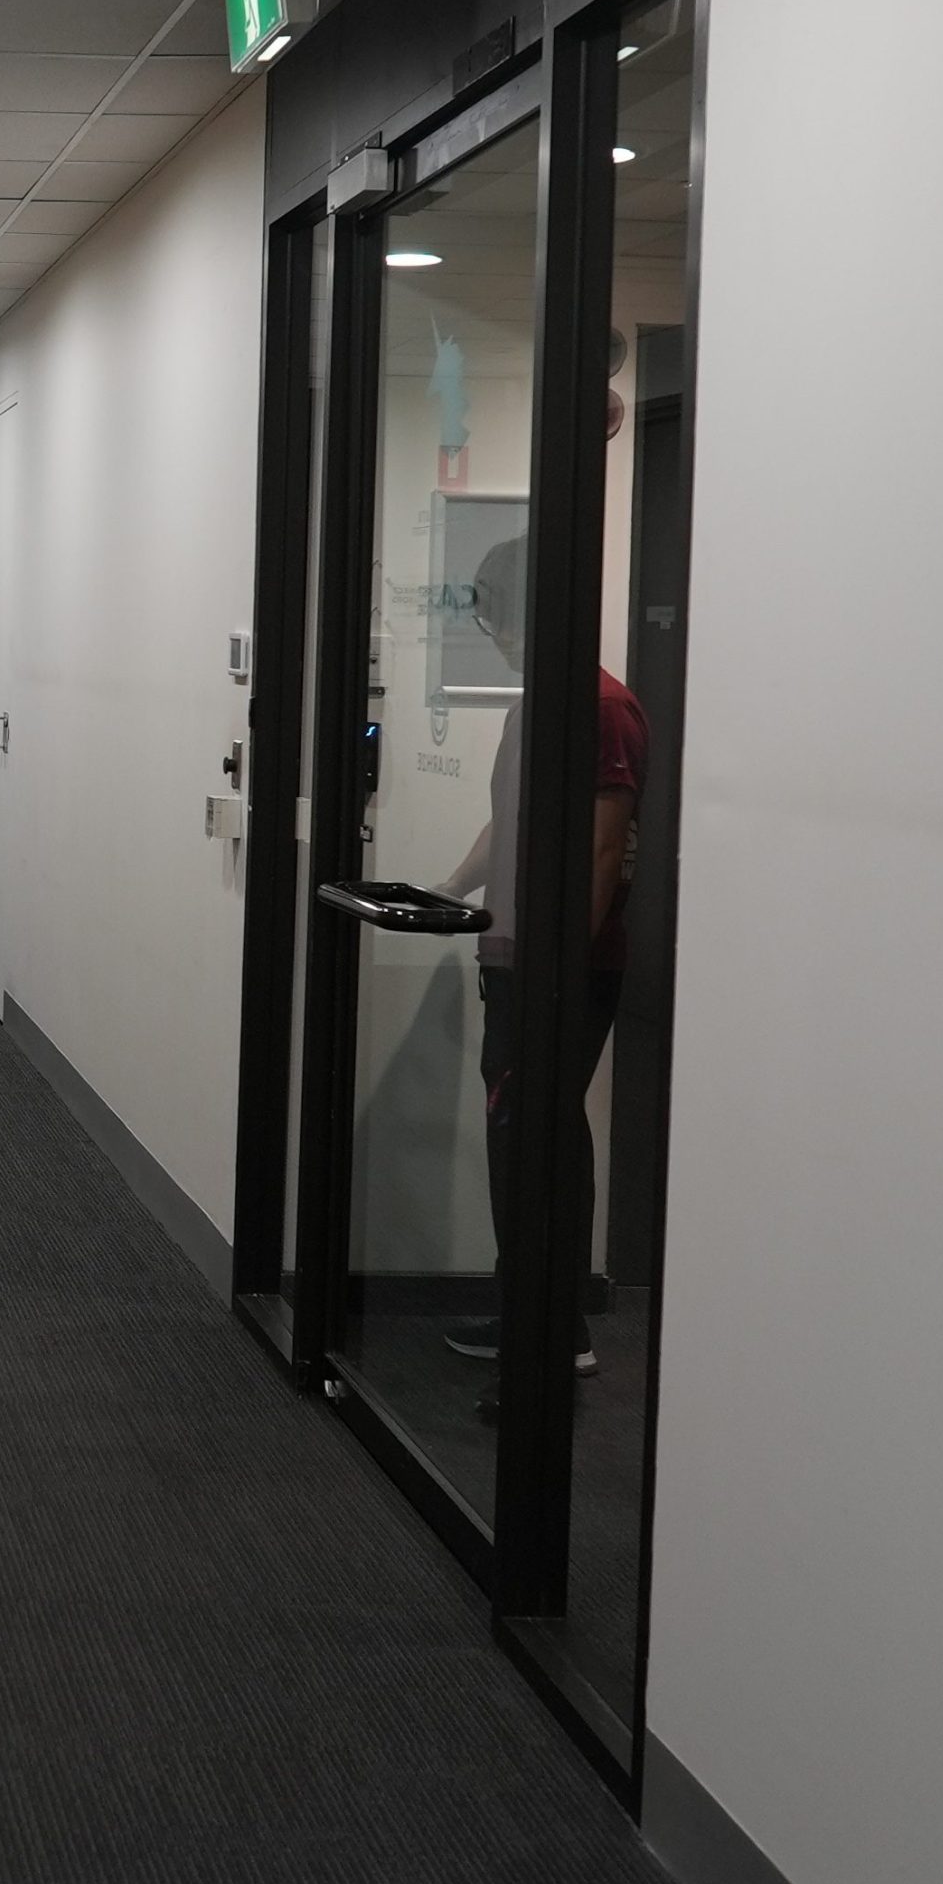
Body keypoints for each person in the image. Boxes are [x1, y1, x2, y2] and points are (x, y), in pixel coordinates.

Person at [434, 535, 648, 1424]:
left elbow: (603, 848)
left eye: (495, 612)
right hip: (512, 953)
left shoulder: (602, 707)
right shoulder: (538, 706)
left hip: (563, 969)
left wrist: (556, 969)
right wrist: (448, 893)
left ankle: (554, 1337)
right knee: (521, 1136)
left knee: (539, 1139)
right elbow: (509, 825)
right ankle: (533, 1309)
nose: (491, 631)